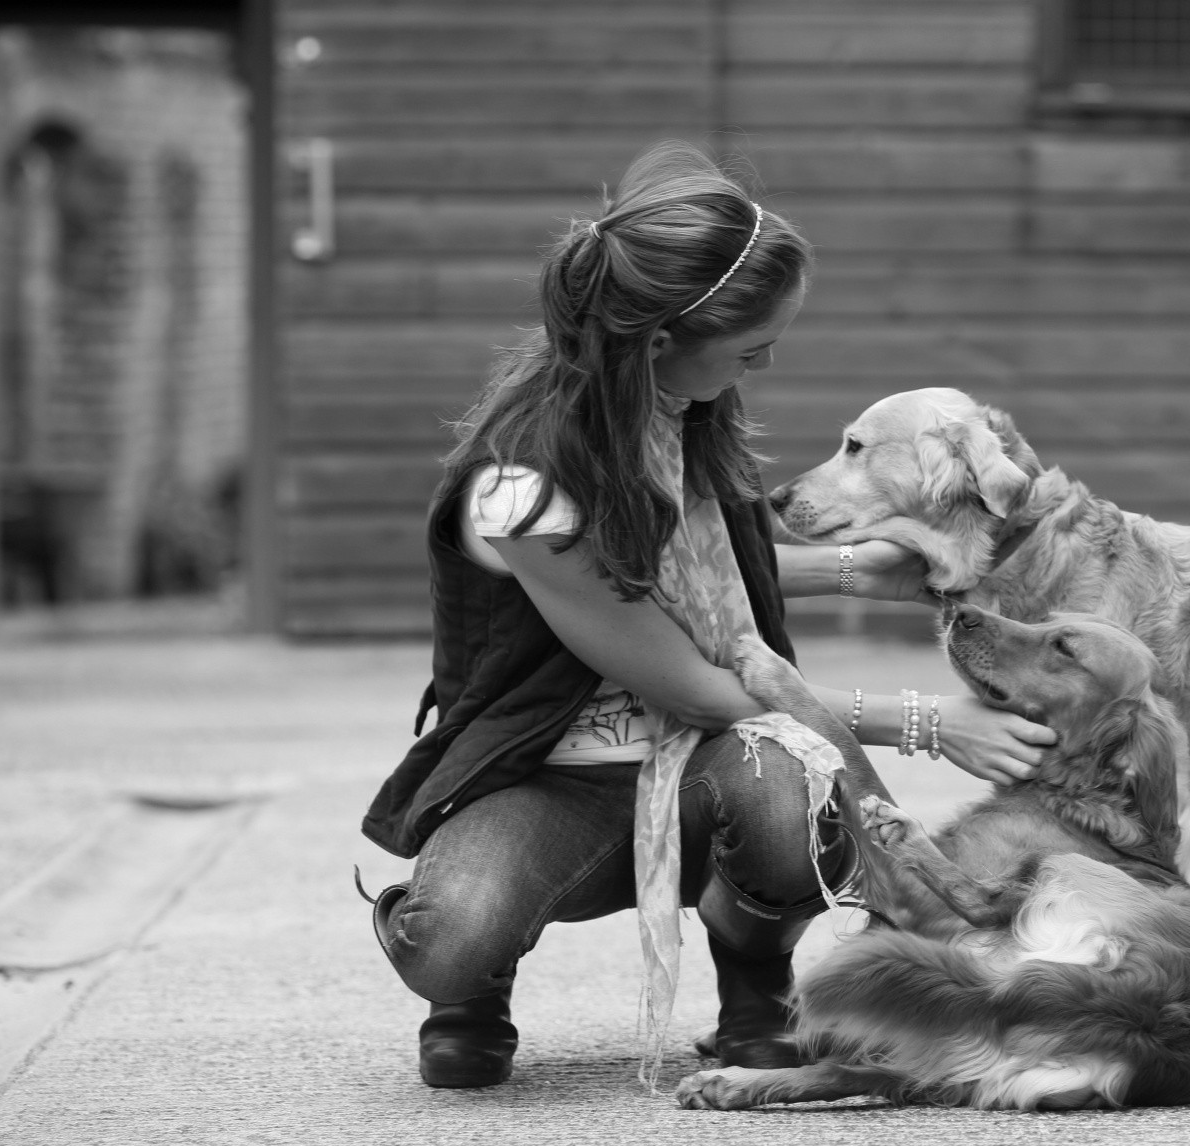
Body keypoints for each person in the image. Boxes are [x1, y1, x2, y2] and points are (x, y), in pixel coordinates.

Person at [359, 143, 1057, 1090]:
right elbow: (698, 682)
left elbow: (692, 580)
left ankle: (755, 988)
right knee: (453, 935)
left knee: (785, 805)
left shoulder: (677, 410)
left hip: (700, 773)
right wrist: (926, 723)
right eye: (750, 347)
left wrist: (863, 571)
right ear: (656, 341)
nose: (761, 365)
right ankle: (468, 985)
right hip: (547, 780)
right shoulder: (521, 494)